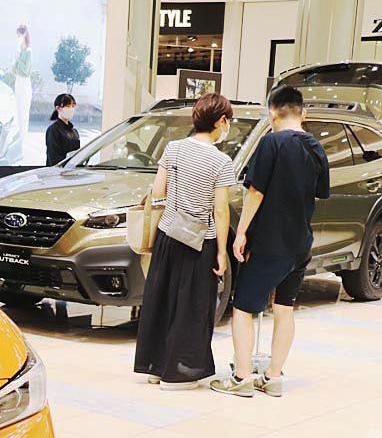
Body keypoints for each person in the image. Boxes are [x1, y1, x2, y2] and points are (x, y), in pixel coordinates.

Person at [211, 85, 329, 398]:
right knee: (284, 309)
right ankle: (274, 377)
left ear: (272, 112)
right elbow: (318, 193)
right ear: (303, 113)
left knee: (243, 308)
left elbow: (255, 192)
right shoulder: (316, 147)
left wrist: (242, 232)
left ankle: (242, 377)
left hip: (269, 242)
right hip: (300, 242)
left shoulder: (271, 142)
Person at [134, 93, 236, 390]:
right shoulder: (221, 161)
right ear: (221, 121)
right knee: (192, 307)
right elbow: (220, 210)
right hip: (199, 242)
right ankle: (179, 374)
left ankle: (156, 367)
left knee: (162, 299)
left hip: (168, 235)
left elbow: (158, 190)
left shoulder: (174, 148)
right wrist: (222, 252)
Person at [45, 93, 80, 166]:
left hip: (73, 170)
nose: (71, 109)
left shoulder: (74, 131)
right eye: (68, 106)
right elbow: (53, 157)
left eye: (73, 106)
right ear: (58, 108)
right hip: (58, 171)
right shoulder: (53, 130)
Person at [13, 25, 32, 148]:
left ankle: (23, 135)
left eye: (19, 35)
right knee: (18, 107)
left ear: (24, 35)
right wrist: (17, 59)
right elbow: (14, 69)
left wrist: (18, 59)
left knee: (24, 107)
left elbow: (25, 71)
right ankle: (19, 133)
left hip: (24, 82)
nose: (18, 37)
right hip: (18, 80)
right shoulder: (20, 50)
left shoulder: (28, 51)